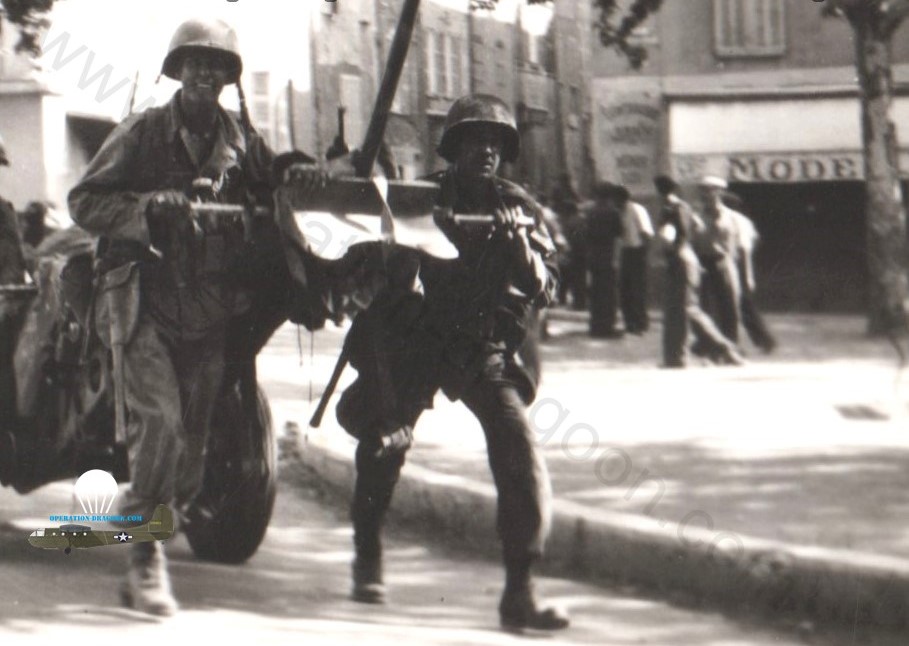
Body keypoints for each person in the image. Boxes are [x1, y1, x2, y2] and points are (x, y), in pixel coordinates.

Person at [67, 18, 328, 617]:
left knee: (192, 447)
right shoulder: (142, 132)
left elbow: (273, 180)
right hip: (142, 301)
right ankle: (143, 561)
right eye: (195, 63)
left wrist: (299, 171)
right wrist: (144, 209)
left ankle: (155, 533)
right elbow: (84, 202)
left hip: (209, 309)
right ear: (177, 71)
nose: (205, 73)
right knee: (159, 425)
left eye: (218, 65)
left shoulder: (241, 142)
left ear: (228, 78)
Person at [342, 94, 569, 631]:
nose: (486, 151)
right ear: (454, 148)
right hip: (418, 339)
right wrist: (408, 242)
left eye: (495, 143)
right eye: (475, 140)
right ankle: (367, 548)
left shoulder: (518, 205)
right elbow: (373, 265)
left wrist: (518, 247)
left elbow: (545, 287)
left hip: (480, 346)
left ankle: (521, 588)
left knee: (518, 446)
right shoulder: (420, 198)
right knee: (384, 439)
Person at [654, 175, 743, 368]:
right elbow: (698, 227)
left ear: (660, 192)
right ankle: (678, 357)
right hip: (689, 260)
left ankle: (719, 350)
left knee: (683, 310)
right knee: (683, 310)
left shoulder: (669, 209)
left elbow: (667, 236)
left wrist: (665, 246)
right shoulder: (686, 208)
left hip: (679, 260)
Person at [721, 192, 777, 353]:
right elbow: (756, 240)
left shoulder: (735, 221)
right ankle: (763, 341)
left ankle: (763, 341)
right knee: (743, 307)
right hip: (739, 263)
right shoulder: (745, 221)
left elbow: (744, 250)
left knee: (741, 306)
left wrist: (747, 275)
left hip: (737, 265)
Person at [692, 176, 742, 344]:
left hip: (723, 262)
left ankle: (731, 344)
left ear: (719, 192)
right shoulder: (696, 216)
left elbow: (736, 243)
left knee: (729, 305)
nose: (704, 195)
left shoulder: (731, 217)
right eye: (703, 191)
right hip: (702, 263)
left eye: (709, 190)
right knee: (703, 306)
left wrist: (729, 262)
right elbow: (692, 240)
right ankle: (708, 345)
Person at [586, 182, 624, 338]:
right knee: (608, 294)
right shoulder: (614, 212)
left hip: (594, 256)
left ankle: (595, 326)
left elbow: (586, 236)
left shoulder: (591, 212)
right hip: (608, 256)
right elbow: (618, 237)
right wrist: (616, 258)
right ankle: (608, 327)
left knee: (595, 292)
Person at [616, 185, 654, 334]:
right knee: (625, 289)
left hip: (638, 252)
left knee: (637, 289)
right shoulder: (620, 211)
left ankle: (640, 323)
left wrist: (645, 254)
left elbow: (646, 233)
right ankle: (629, 322)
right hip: (626, 252)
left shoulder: (637, 210)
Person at [551, 172, 586, 309]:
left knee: (566, 273)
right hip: (578, 250)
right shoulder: (579, 219)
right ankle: (573, 300)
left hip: (570, 248)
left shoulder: (567, 220)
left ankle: (564, 297)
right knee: (575, 276)